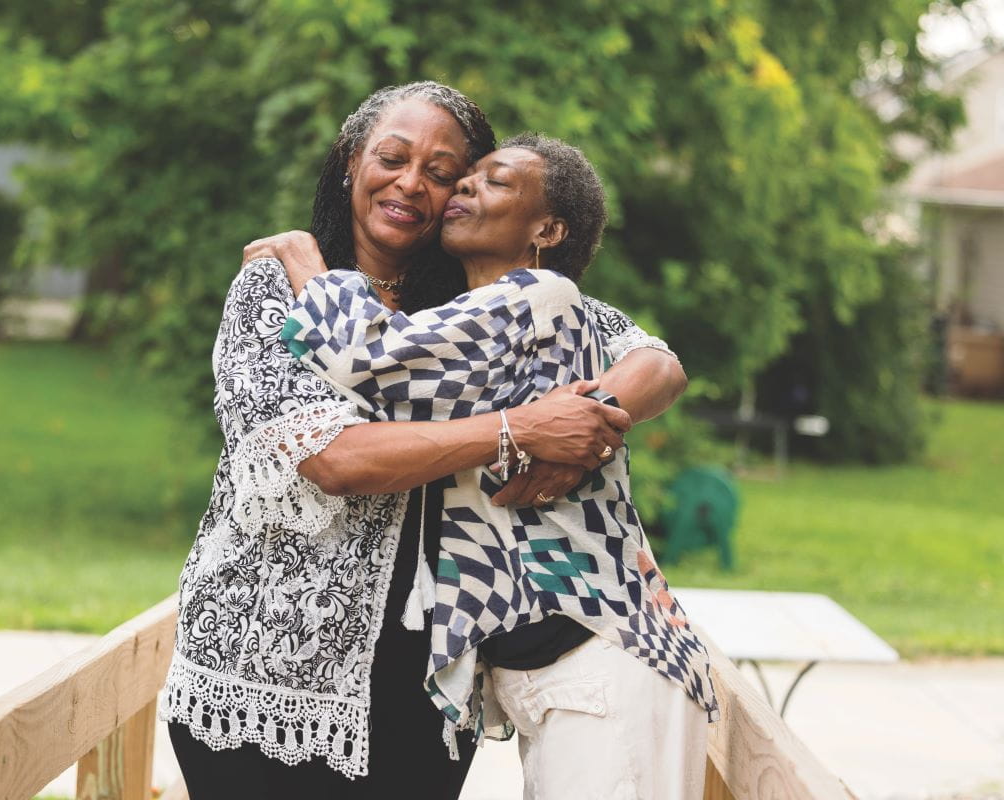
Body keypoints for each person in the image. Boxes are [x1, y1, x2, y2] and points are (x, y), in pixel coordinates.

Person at [160, 82, 686, 799]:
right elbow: (335, 460)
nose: (411, 183)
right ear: (351, 162)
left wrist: (586, 426)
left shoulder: (478, 297)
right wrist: (520, 429)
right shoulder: (275, 286)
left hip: (427, 686)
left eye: (442, 174)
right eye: (392, 157)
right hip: (263, 673)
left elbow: (653, 360)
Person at [282, 134, 717, 799]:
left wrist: (305, 263)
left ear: (548, 227)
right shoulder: (493, 316)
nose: (464, 189)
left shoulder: (537, 297)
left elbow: (366, 357)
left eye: (497, 183)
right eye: (468, 180)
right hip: (557, 672)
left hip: (601, 660)